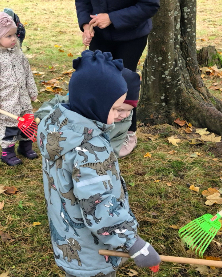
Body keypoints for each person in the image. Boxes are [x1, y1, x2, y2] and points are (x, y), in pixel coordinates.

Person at [38, 50, 160, 277]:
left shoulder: (58, 127)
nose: (117, 118)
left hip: (69, 237)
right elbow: (99, 203)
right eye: (114, 109)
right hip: (93, 249)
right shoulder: (90, 150)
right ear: (95, 103)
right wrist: (133, 243)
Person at [75, 0, 160, 145]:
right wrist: (85, 23)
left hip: (131, 35)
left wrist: (112, 17)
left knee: (124, 83)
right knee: (96, 79)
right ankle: (101, 127)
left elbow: (150, 4)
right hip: (101, 34)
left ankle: (127, 133)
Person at [35, 68, 140, 158]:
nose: (124, 115)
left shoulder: (124, 120)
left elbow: (114, 146)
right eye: (119, 109)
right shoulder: (81, 103)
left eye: (130, 110)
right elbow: (57, 102)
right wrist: (41, 117)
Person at [0, 12, 39, 166]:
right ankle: (8, 153)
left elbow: (27, 73)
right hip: (7, 103)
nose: (14, 39)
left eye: (14, 35)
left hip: (23, 100)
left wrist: (32, 91)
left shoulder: (19, 54)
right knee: (10, 129)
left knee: (27, 123)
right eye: (8, 36)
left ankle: (25, 147)